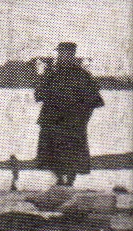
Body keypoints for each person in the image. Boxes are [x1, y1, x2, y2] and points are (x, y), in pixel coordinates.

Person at [34, 42, 102, 187]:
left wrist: (82, 118)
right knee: (52, 151)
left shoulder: (82, 75)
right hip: (52, 121)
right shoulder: (52, 73)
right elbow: (39, 95)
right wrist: (44, 74)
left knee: (72, 152)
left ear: (72, 55)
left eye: (65, 53)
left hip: (72, 123)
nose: (61, 56)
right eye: (60, 53)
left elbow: (95, 100)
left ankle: (70, 181)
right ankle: (60, 180)